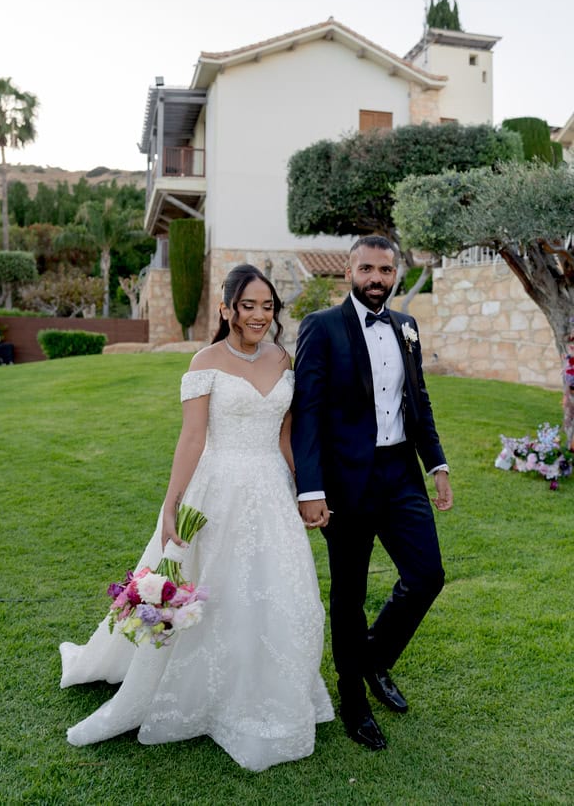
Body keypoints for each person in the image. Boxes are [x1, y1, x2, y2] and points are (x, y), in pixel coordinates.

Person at [60, 264, 333, 772]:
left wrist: (305, 491)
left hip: (270, 488)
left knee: (278, 591)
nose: (258, 315)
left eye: (267, 306)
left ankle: (266, 687)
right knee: (214, 588)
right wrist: (172, 504)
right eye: (248, 305)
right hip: (217, 488)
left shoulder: (283, 358)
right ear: (227, 308)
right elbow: (192, 438)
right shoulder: (204, 361)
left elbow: (284, 436)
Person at [291, 236, 453, 752]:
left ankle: (374, 660)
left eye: (385, 269)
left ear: (396, 273)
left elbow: (418, 400)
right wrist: (310, 488)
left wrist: (438, 464)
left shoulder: (406, 327)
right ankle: (354, 700)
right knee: (350, 594)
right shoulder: (321, 328)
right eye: (367, 268)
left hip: (401, 475)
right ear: (349, 271)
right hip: (346, 483)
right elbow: (307, 414)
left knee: (427, 574)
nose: (376, 277)